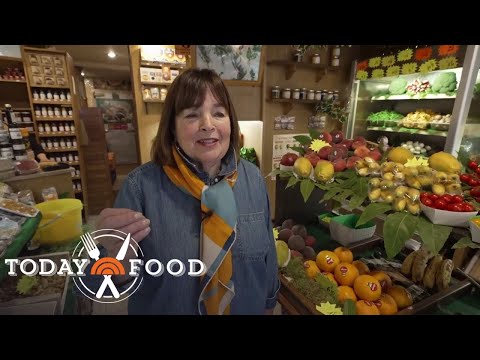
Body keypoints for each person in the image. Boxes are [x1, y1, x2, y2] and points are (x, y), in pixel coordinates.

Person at [91, 68, 280, 315]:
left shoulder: (253, 178)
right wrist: (116, 256)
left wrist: (267, 306)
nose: (208, 125)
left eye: (219, 113)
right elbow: (103, 286)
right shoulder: (140, 187)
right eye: (192, 115)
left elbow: (267, 261)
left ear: (230, 123)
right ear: (172, 127)